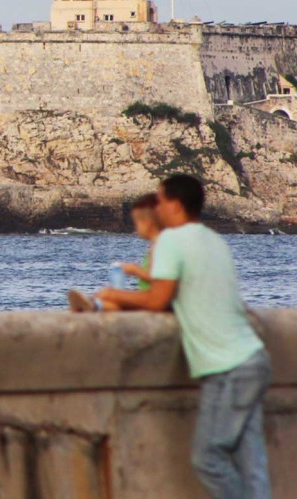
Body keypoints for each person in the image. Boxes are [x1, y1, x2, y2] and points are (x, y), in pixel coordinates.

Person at [95, 174, 271, 499]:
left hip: (228, 367)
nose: (156, 207)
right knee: (253, 464)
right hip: (255, 359)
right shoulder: (215, 240)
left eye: (159, 200)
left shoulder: (171, 241)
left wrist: (111, 296)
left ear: (174, 205)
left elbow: (157, 300)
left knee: (208, 459)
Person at [68, 193, 163, 312]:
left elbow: (162, 280)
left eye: (137, 222)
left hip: (154, 297)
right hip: (149, 295)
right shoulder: (157, 245)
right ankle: (93, 306)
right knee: (112, 299)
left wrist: (135, 270)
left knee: (108, 294)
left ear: (148, 224)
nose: (136, 227)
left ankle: (92, 304)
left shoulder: (160, 246)